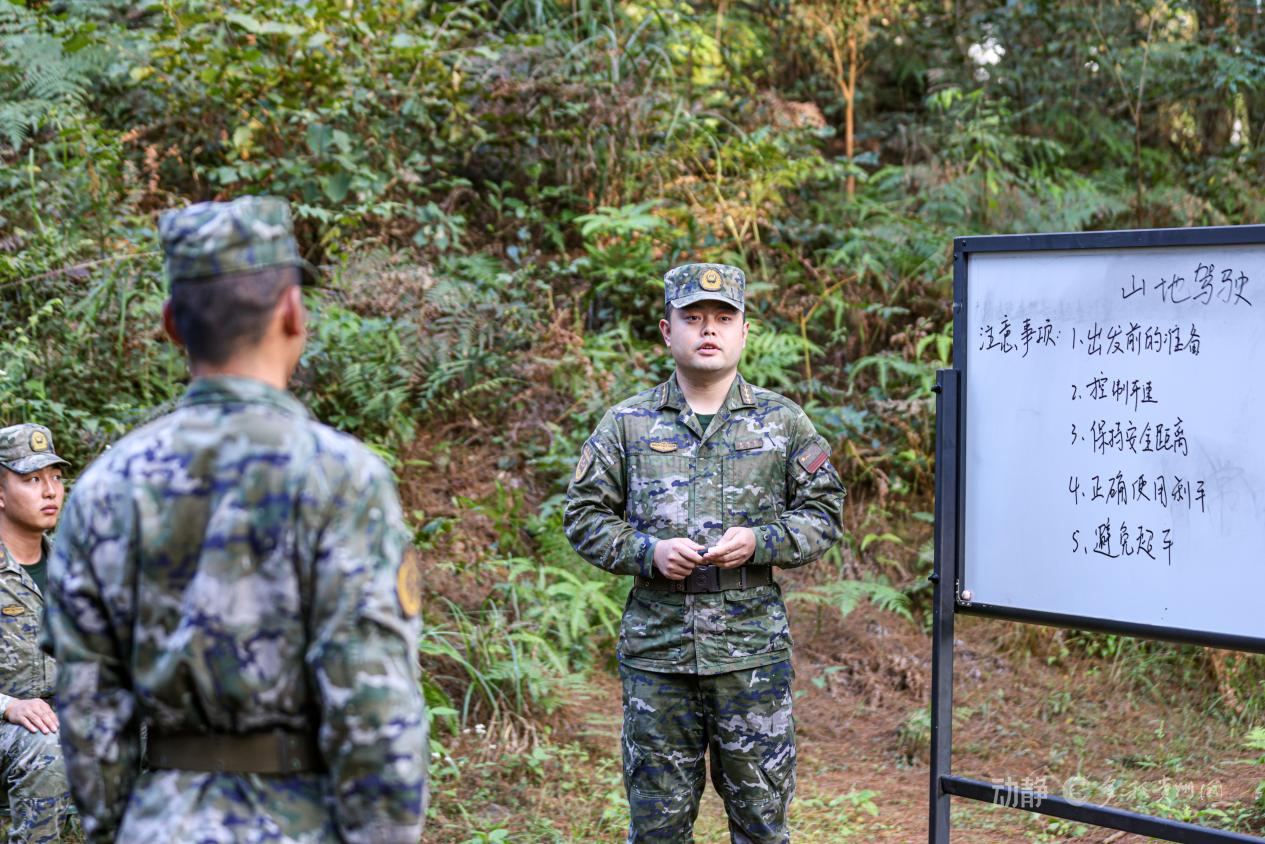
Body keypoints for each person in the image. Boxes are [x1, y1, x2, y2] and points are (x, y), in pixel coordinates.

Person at [44, 196, 428, 844]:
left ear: (172, 324)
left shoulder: (104, 487)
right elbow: (374, 706)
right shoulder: (340, 478)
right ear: (293, 313)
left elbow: (85, 706)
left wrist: (124, 826)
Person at [564, 263, 846, 843]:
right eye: (692, 318)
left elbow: (825, 511)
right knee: (658, 829)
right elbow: (583, 516)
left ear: (744, 331)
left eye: (722, 317)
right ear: (668, 331)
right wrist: (648, 552)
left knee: (762, 825)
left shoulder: (782, 422)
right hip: (658, 657)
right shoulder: (627, 425)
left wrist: (761, 541)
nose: (708, 329)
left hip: (750, 656)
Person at [0, 424, 73, 843]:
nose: (50, 491)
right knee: (47, 744)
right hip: (11, 724)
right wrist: (9, 705)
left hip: (63, 714)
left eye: (56, 478)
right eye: (31, 480)